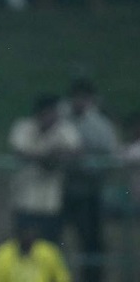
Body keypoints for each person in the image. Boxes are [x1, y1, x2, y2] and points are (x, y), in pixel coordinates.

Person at [61, 78, 119, 282]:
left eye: (83, 98)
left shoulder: (100, 125)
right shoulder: (62, 119)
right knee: (56, 237)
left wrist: (85, 163)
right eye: (75, 97)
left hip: (90, 191)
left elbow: (109, 156)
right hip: (62, 188)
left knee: (91, 240)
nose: (78, 102)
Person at [8, 94, 81, 244]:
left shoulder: (64, 128)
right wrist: (48, 156)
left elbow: (76, 151)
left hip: (52, 202)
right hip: (25, 199)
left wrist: (52, 156)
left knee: (50, 246)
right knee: (24, 245)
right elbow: (20, 151)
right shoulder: (23, 126)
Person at [0, 223, 72, 282]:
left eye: (30, 234)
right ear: (17, 235)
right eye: (24, 234)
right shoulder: (2, 256)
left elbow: (63, 278)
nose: (27, 238)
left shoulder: (48, 252)